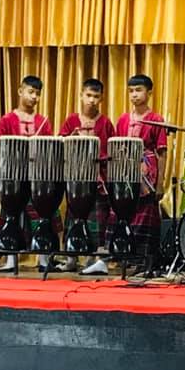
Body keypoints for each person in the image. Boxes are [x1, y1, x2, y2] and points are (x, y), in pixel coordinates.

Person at [95, 74, 166, 276]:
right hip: (125, 173)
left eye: (139, 90)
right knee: (120, 213)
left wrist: (160, 183)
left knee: (144, 215)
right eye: (131, 91)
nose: (134, 95)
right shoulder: (123, 119)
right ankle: (118, 257)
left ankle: (142, 261)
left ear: (149, 93)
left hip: (146, 173)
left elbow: (162, 153)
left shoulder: (156, 120)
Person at [0, 75, 55, 273]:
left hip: (37, 179)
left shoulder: (43, 122)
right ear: (20, 91)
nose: (34, 97)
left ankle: (43, 259)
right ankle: (11, 260)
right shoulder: (7, 120)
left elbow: (49, 151)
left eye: (38, 93)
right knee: (11, 217)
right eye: (31, 92)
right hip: (13, 178)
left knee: (42, 217)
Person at [58, 78, 115, 275]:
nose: (91, 100)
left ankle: (93, 259)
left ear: (101, 98)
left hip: (98, 180)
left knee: (97, 220)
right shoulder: (71, 121)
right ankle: (71, 258)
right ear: (81, 95)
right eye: (88, 95)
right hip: (75, 179)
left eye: (96, 96)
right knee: (73, 217)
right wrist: (70, 140)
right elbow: (60, 144)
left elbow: (112, 150)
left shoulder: (105, 123)